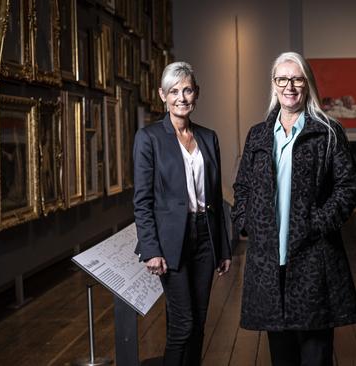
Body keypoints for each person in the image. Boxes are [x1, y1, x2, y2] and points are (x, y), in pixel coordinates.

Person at [232, 51, 356, 366]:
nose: (289, 86)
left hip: (314, 258)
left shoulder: (328, 131)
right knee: (282, 357)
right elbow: (243, 187)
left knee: (316, 354)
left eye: (297, 79)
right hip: (269, 261)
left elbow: (348, 187)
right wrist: (248, 223)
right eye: (282, 79)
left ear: (307, 84)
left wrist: (317, 223)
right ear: (274, 85)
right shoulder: (258, 135)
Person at [133, 61, 232, 366]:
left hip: (205, 236)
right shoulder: (148, 138)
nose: (181, 97)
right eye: (174, 91)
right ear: (162, 95)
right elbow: (142, 199)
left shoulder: (208, 137)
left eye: (187, 89)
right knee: (182, 324)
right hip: (171, 241)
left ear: (196, 93)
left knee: (200, 321)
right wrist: (151, 249)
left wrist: (224, 247)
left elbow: (215, 197)